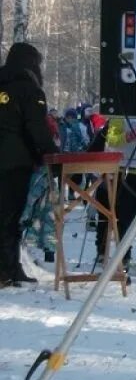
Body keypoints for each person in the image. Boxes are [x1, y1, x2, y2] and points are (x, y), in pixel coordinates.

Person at [0, 42, 58, 287]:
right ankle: (6, 269)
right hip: (14, 162)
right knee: (9, 217)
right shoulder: (29, 90)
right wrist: (51, 155)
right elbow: (36, 128)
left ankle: (10, 267)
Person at [95, 118, 136, 273]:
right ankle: (124, 256)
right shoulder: (120, 116)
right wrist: (129, 136)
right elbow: (111, 140)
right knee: (124, 216)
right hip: (125, 170)